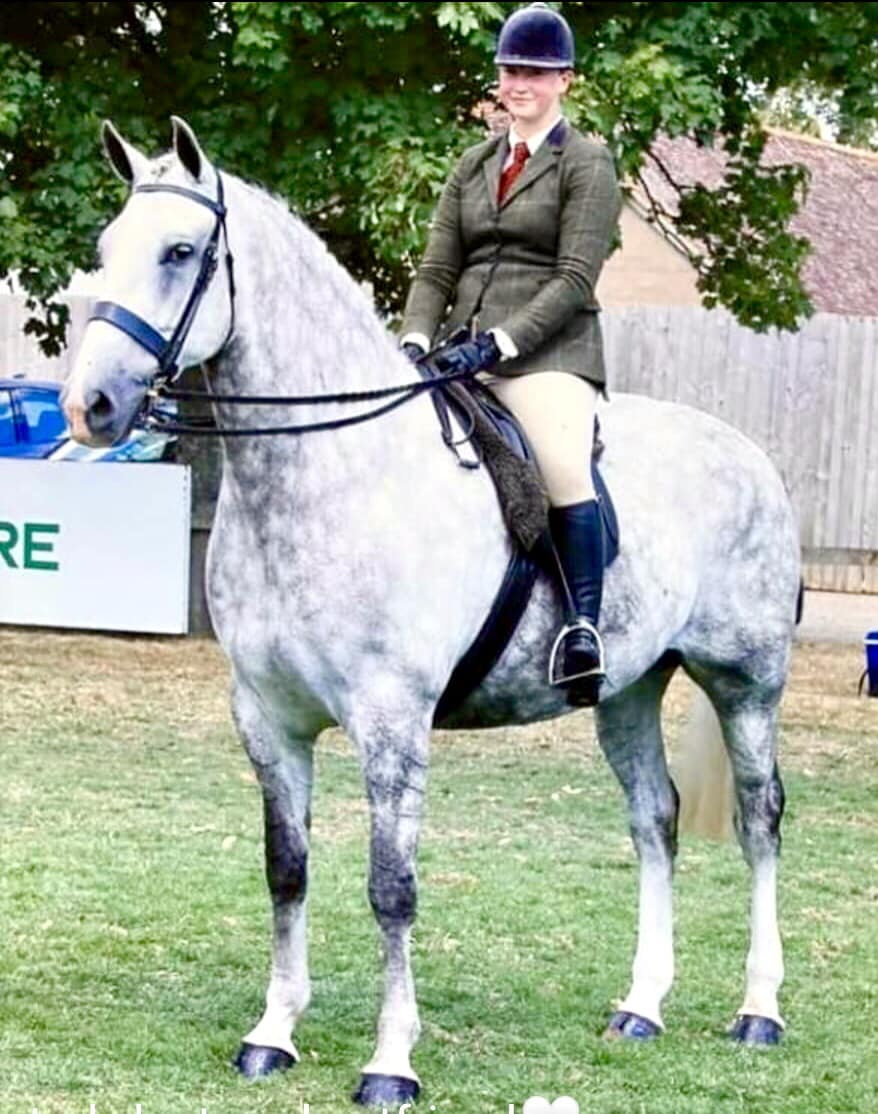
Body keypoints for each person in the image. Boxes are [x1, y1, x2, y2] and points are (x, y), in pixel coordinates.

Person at [400, 2, 622, 706]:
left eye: (534, 70)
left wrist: (504, 341)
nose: (518, 81)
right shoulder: (473, 164)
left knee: (559, 465)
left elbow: (574, 278)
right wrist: (412, 338)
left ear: (565, 80)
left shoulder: (586, 163)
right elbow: (437, 268)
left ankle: (582, 628)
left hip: (547, 355)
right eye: (509, 69)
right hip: (458, 351)